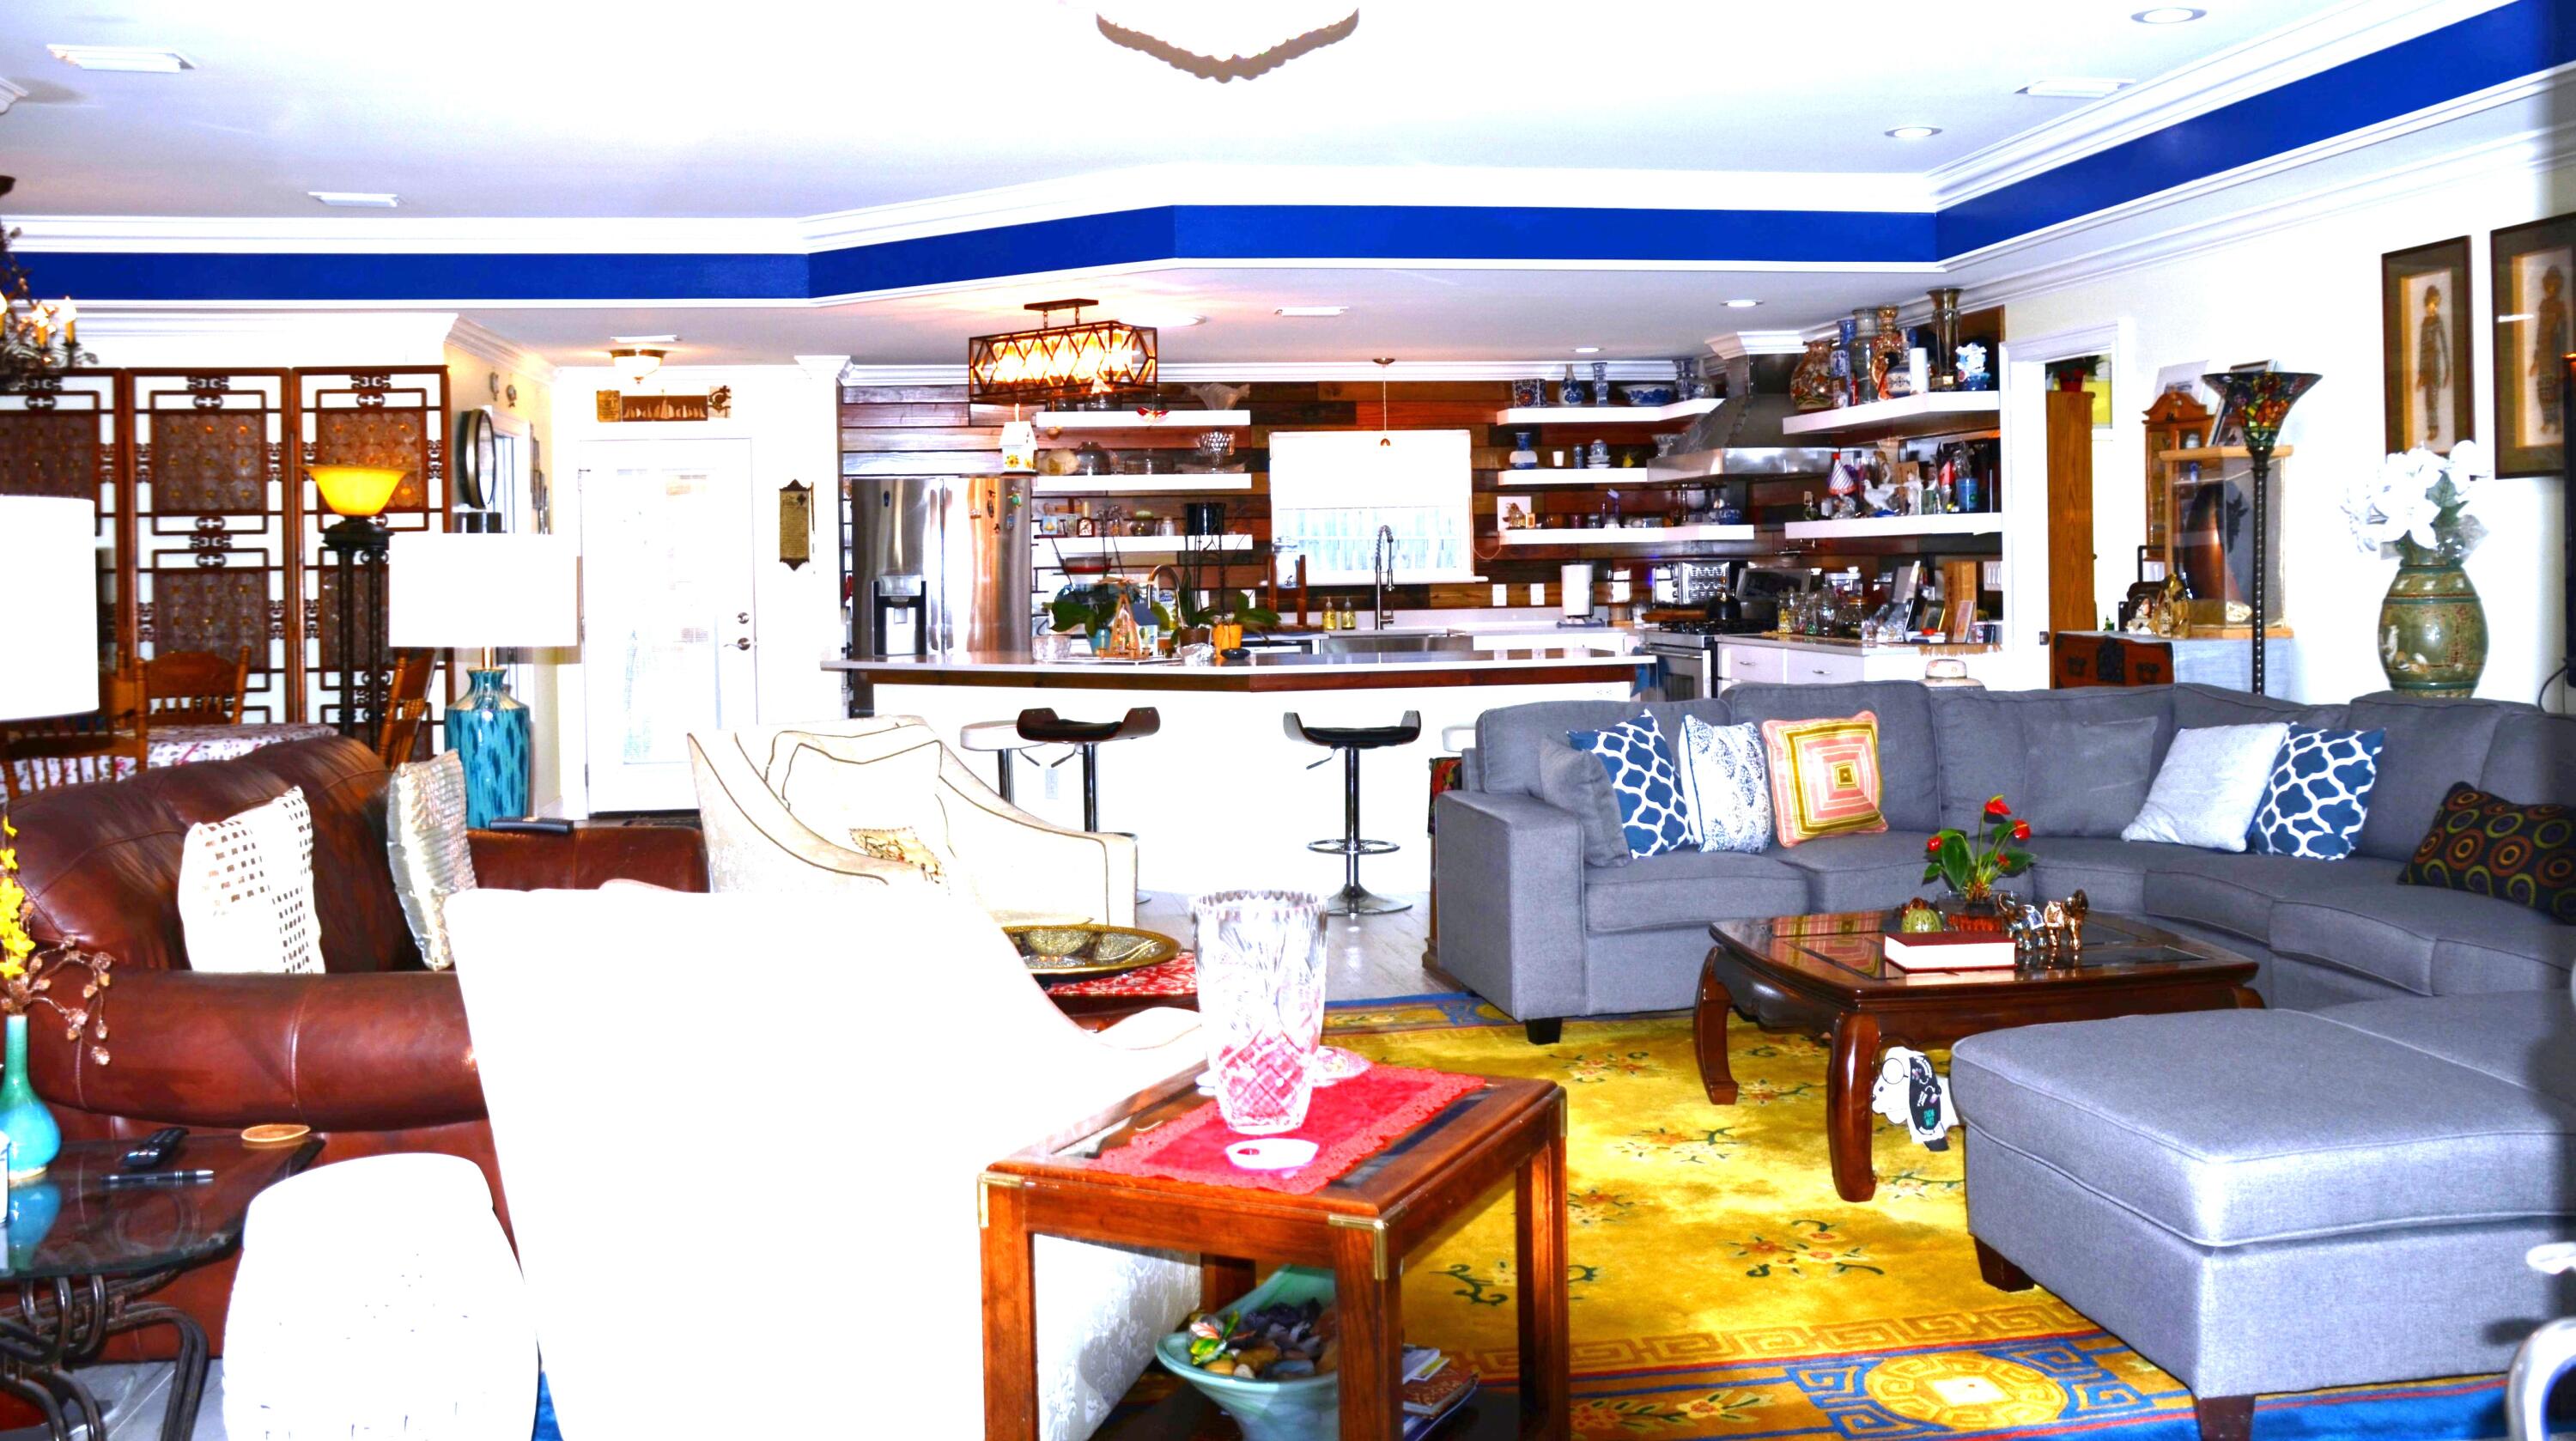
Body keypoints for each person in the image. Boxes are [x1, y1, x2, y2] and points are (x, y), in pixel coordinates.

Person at [2416, 283, 2450, 447]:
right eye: (2430, 304)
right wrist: (2420, 374)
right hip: (2426, 364)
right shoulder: (2425, 322)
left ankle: (2435, 428)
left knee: (2433, 398)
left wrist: (2448, 369)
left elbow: (2444, 345)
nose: (2432, 308)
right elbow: (2422, 348)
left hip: (2435, 363)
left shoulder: (2438, 322)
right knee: (2427, 400)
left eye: (2434, 305)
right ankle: (2431, 427)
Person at [2538, 265, 2568, 438]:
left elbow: (2563, 335)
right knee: (2542, 390)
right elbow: (2539, 333)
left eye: (2554, 285)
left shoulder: (2560, 307)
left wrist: (2562, 361)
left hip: (2554, 355)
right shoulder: (2543, 306)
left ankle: (2556, 422)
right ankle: (2546, 420)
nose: (2551, 288)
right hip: (2544, 355)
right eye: (2548, 285)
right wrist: (2536, 358)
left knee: (2554, 390)